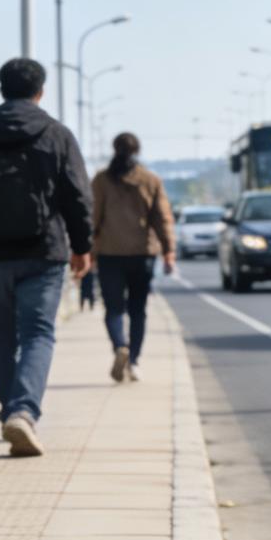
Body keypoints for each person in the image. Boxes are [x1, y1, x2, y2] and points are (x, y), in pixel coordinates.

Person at [0, 57, 93, 457]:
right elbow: (77, 195)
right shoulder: (57, 135)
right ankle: (23, 412)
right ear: (40, 91)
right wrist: (82, 246)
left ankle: (12, 411)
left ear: (1, 90)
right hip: (44, 251)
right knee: (38, 333)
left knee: (2, 335)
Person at [91, 133, 175, 382]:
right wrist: (169, 250)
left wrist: (86, 251)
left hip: (109, 253)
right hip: (142, 255)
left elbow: (92, 217)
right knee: (138, 310)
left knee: (113, 308)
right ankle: (134, 361)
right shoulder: (150, 180)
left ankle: (119, 346)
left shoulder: (101, 180)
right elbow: (162, 218)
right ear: (137, 151)